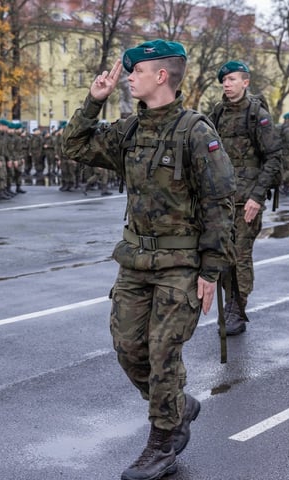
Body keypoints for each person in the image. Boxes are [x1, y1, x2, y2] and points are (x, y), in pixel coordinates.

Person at [61, 39, 235, 480]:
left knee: (162, 353)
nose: (127, 78)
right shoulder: (130, 130)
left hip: (181, 264)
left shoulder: (196, 131)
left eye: (135, 72)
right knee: (127, 348)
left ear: (161, 76)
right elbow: (75, 147)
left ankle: (161, 445)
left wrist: (211, 271)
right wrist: (93, 101)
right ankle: (178, 405)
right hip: (135, 261)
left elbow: (220, 203)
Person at [209, 60, 283, 336]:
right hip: (222, 201)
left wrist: (257, 197)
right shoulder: (217, 113)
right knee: (224, 256)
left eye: (232, 79)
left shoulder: (257, 115)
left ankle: (237, 307)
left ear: (245, 82)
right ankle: (231, 302)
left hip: (247, 201)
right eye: (224, 81)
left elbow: (273, 157)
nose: (227, 84)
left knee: (240, 256)